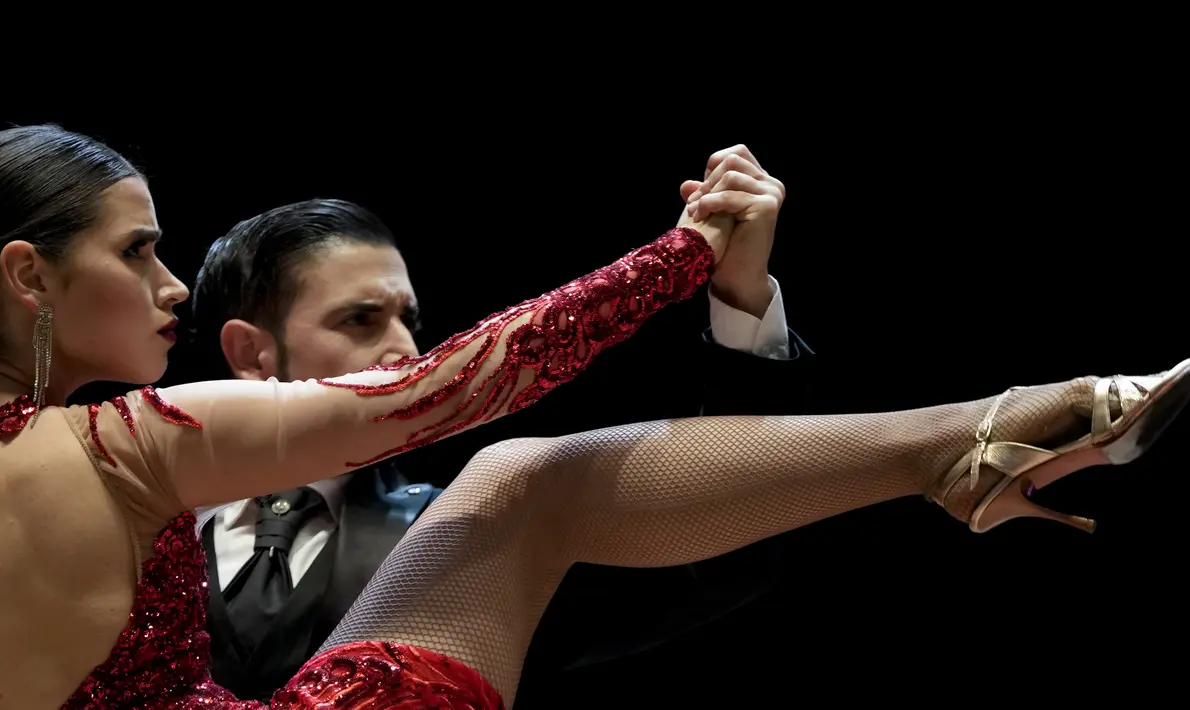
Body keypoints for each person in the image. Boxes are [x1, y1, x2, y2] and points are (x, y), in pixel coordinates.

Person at [0, 125, 1190, 709]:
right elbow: (461, 383)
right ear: (27, 274)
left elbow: (740, 526)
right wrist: (678, 256)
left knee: (528, 481)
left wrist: (740, 310)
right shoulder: (126, 447)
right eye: (138, 248)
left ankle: (955, 448)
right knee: (521, 474)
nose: (165, 285)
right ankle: (970, 434)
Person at [188, 157, 814, 700]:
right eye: (360, 320)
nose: (405, 348)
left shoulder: (477, 525)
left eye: (410, 319)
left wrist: (742, 303)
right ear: (252, 354)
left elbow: (723, 555)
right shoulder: (130, 511)